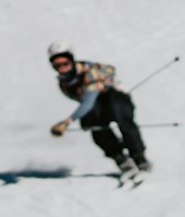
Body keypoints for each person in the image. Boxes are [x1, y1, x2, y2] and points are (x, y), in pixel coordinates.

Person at [45, 43, 150, 177]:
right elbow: (86, 103)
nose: (62, 69)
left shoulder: (89, 72)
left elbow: (89, 100)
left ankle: (139, 157)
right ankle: (120, 158)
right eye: (57, 66)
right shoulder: (64, 83)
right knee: (92, 123)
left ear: (71, 60)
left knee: (120, 114)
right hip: (97, 106)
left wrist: (67, 122)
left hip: (115, 98)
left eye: (65, 63)